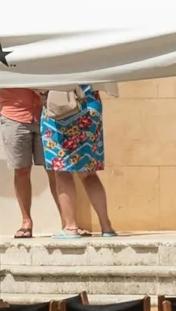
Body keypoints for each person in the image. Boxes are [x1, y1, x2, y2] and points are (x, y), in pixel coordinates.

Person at [41, 85, 119, 238]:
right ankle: (106, 226)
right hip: (90, 104)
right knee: (88, 172)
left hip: (61, 106)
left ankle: (70, 227)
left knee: (62, 170)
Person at [0, 86, 45, 239]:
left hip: (47, 113)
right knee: (21, 169)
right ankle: (26, 221)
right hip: (14, 115)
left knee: (56, 170)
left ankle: (67, 223)